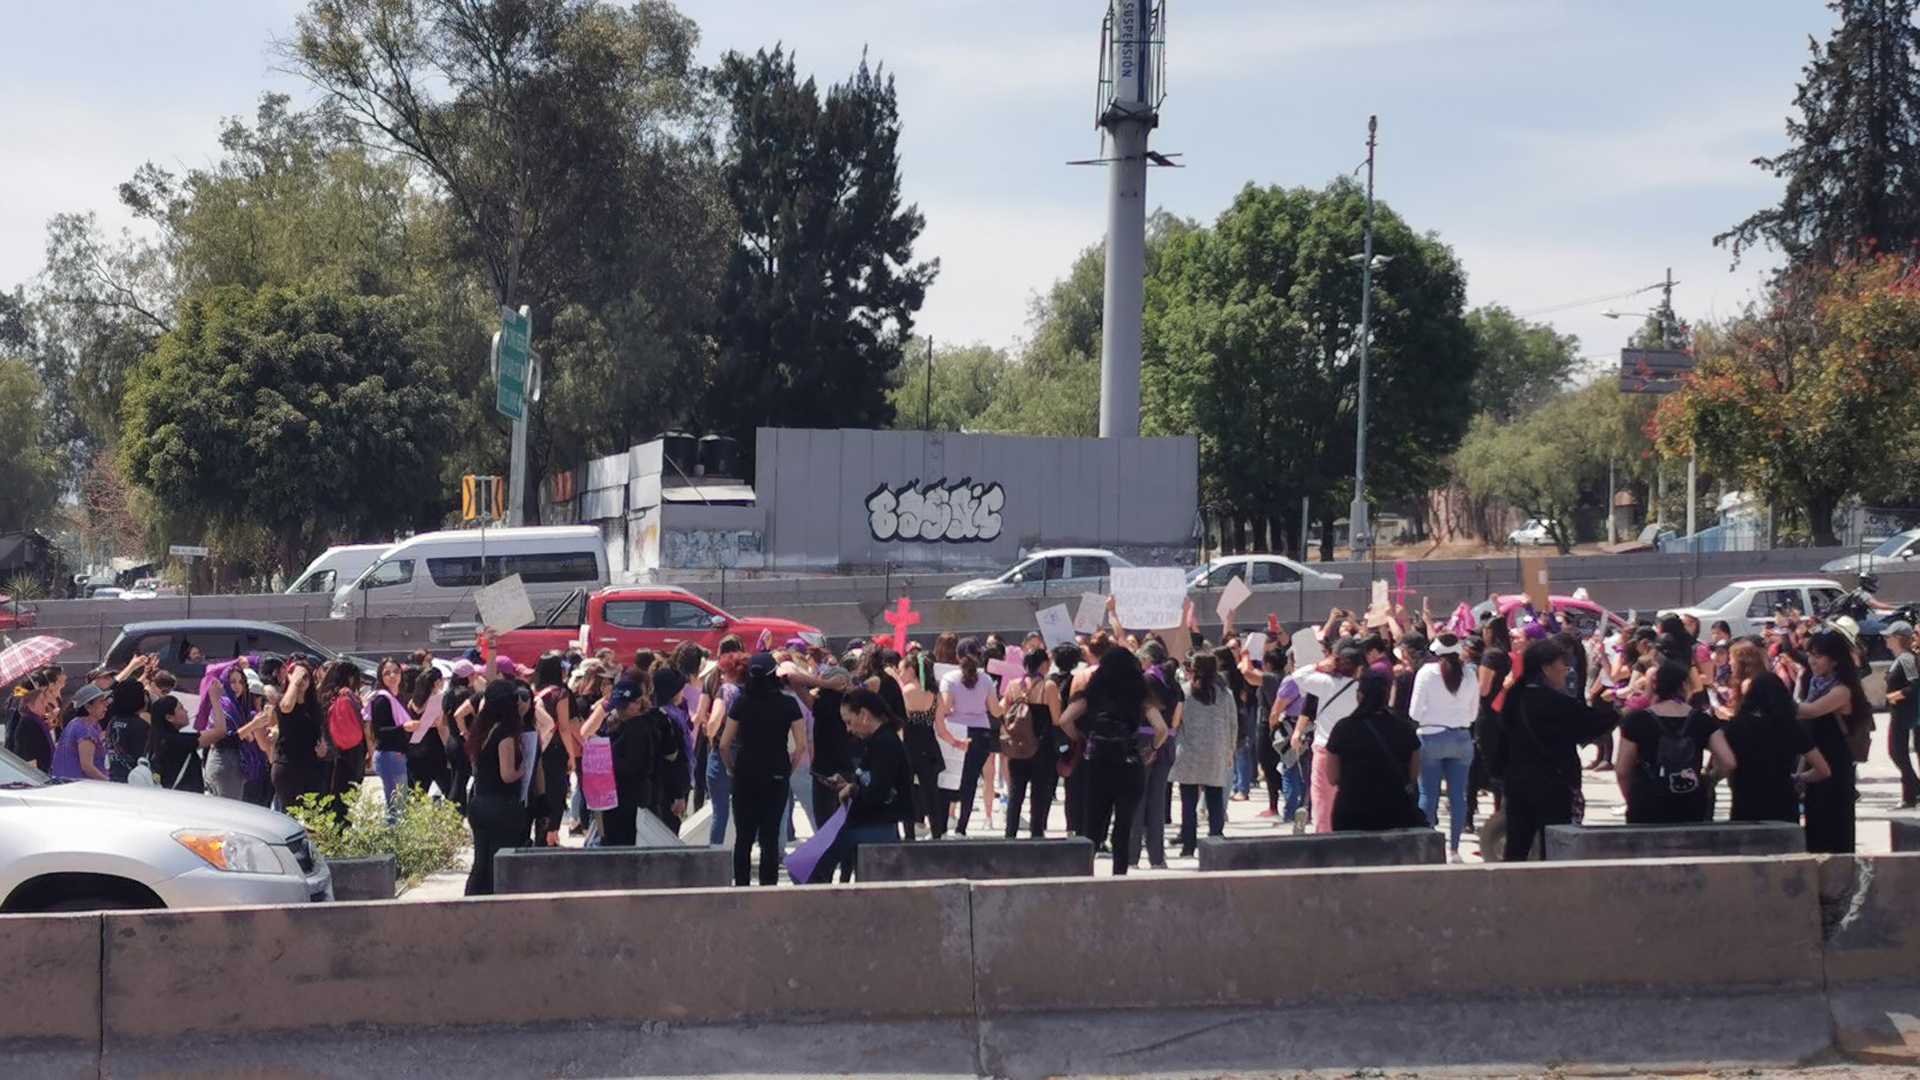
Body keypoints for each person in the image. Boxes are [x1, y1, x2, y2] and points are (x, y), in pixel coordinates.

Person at [1495, 639, 1619, 861]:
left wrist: (1499, 775)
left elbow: (1500, 742)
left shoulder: (1514, 697)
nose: (1566, 669)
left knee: (1516, 847)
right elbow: (1593, 722)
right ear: (1546, 668)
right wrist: (1623, 710)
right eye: (1562, 664)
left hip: (1517, 782)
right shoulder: (1555, 703)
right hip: (1552, 783)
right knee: (1555, 848)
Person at [1061, 647, 1167, 875]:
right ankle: (1119, 875)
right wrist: (1152, 749)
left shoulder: (1094, 692)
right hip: (1128, 761)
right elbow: (1161, 729)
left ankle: (1086, 874)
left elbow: (1064, 720)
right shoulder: (1139, 692)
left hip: (1098, 763)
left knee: (1093, 824)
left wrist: (1080, 738)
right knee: (1124, 825)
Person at [719, 652, 807, 886]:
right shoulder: (788, 704)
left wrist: (731, 768)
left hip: (745, 771)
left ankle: (742, 887)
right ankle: (768, 890)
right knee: (770, 836)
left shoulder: (741, 702)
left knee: (743, 837)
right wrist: (789, 770)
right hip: (776, 772)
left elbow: (724, 744)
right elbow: (801, 746)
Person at [1614, 660, 1736, 824]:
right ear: (1685, 686)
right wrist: (1708, 781)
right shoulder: (1703, 721)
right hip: (1689, 799)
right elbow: (1728, 762)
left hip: (1647, 799)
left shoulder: (1637, 721)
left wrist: (1633, 796)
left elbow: (1622, 770)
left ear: (1655, 686)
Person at [1722, 651, 1830, 823]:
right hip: (1783, 803)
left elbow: (1725, 765)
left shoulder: (1735, 726)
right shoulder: (1791, 726)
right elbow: (1823, 770)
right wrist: (1797, 777)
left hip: (1745, 802)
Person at [820, 686, 914, 880]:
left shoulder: (885, 743)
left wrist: (851, 790)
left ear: (863, 715)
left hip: (875, 824)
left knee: (809, 868)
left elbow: (879, 791)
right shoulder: (875, 741)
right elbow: (870, 781)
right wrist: (847, 785)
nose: (849, 729)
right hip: (867, 822)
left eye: (849, 722)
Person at [1796, 629, 1870, 854]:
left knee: (1834, 833)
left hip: (1836, 767)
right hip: (1815, 766)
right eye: (1810, 655)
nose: (1812, 660)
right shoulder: (1816, 684)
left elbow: (1811, 711)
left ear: (1835, 660)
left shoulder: (1841, 690)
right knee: (1815, 831)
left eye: (1818, 656)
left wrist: (1776, 700)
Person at [1324, 670, 1426, 832]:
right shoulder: (1405, 728)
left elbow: (1333, 777)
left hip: (1351, 811)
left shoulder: (1343, 728)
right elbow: (1413, 775)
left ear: (1359, 695)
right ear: (1387, 696)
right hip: (1396, 812)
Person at [1409, 633, 1478, 860]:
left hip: (1431, 736)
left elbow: (1414, 713)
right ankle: (1455, 849)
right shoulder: (1470, 673)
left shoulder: (1426, 673)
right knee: (1458, 796)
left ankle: (1427, 849)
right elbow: (1473, 713)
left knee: (1428, 795)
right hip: (1461, 737)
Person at [1291, 647, 1365, 835]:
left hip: (1326, 747)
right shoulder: (1362, 689)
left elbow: (1298, 676)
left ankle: (1323, 836)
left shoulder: (1325, 683)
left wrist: (1318, 665)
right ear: (1359, 669)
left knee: (1322, 797)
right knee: (1351, 796)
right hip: (1353, 750)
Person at [464, 680, 529, 896]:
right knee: (498, 864)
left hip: (479, 802)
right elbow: (507, 775)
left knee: (480, 863)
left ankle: (470, 903)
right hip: (501, 806)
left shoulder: (482, 730)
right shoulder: (505, 735)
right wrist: (523, 770)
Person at [937, 638, 1004, 837]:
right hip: (981, 732)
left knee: (949, 778)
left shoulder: (949, 678)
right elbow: (996, 710)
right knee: (971, 780)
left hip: (955, 731)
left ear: (958, 656)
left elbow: (946, 706)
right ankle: (962, 827)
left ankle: (942, 826)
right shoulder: (986, 680)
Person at [1170, 650, 1233, 856]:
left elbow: (1176, 722)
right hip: (1216, 751)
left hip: (1189, 751)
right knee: (1214, 798)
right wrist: (1230, 749)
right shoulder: (1225, 694)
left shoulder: (1185, 691)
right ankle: (1216, 840)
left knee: (1188, 802)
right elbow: (1233, 723)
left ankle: (1188, 845)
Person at [1001, 646, 1063, 839]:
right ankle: (1036, 834)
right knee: (1039, 793)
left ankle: (1010, 833)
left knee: (1015, 792)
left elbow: (1003, 711)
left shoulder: (1013, 685)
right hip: (1042, 746)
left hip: (1018, 745)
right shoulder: (1048, 686)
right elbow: (1056, 719)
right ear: (1043, 664)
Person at [582, 679, 650, 846]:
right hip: (614, 798)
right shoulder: (620, 724)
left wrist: (606, 752)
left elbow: (632, 766)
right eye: (618, 707)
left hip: (629, 799)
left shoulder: (638, 728)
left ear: (638, 704)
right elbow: (586, 732)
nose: (620, 711)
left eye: (624, 707)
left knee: (621, 844)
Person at [703, 649, 751, 846]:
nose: (721, 677)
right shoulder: (752, 692)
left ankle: (716, 853)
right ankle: (742, 852)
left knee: (720, 811)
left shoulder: (726, 690)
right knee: (745, 811)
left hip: (723, 754)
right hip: (747, 755)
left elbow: (714, 721)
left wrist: (710, 732)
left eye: (724, 672)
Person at [897, 651, 947, 839]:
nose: (899, 674)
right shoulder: (934, 694)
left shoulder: (905, 691)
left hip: (909, 746)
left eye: (901, 670)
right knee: (931, 793)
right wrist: (956, 742)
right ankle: (936, 834)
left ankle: (909, 834)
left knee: (907, 792)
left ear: (911, 670)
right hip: (929, 745)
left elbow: (899, 724)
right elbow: (941, 728)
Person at [271, 658, 328, 812]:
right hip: (288, 766)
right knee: (291, 814)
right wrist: (293, 683)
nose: (301, 681)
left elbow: (318, 728)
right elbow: (286, 706)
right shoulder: (284, 700)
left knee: (315, 814)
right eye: (298, 676)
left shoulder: (314, 705)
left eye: (305, 677)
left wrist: (323, 743)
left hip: (311, 766)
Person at [322, 661, 369, 820]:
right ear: (350, 677)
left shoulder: (328, 696)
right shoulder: (348, 695)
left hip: (334, 751)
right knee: (347, 799)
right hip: (353, 751)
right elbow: (363, 724)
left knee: (335, 798)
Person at [1882, 620, 1920, 808]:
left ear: (1898, 638)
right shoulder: (1900, 659)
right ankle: (1912, 791)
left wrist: (1895, 696)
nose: (1885, 639)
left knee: (1897, 752)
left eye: (1889, 636)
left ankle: (1912, 791)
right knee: (1897, 752)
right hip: (1899, 711)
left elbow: (1914, 685)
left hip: (1904, 712)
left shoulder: (1906, 659)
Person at [365, 659, 412, 811]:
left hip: (398, 753)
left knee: (400, 803)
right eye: (387, 673)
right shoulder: (382, 699)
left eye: (396, 672)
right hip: (389, 755)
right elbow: (380, 731)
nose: (392, 676)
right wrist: (403, 727)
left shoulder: (399, 697)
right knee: (396, 805)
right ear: (381, 677)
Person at [203, 663, 253, 800]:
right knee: (228, 808)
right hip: (224, 764)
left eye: (240, 682)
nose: (237, 686)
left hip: (232, 762)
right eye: (232, 682)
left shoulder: (237, 707)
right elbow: (223, 740)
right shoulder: (223, 705)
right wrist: (251, 726)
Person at [143, 695, 214, 792]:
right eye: (181, 708)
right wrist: (215, 700)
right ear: (169, 717)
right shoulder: (177, 741)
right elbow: (220, 731)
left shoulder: (154, 739)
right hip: (186, 795)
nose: (186, 711)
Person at [405, 666, 452, 802]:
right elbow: (441, 728)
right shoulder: (438, 699)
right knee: (449, 788)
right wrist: (449, 750)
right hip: (435, 748)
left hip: (415, 748)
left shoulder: (412, 702)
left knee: (417, 793)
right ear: (437, 682)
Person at [51, 684, 111, 781]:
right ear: (88, 707)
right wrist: (108, 782)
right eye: (101, 701)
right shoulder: (83, 728)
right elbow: (87, 766)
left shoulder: (88, 725)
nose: (105, 705)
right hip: (77, 785)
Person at [103, 677, 152, 783]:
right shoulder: (141, 726)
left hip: (113, 776)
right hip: (133, 780)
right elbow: (143, 756)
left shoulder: (113, 721)